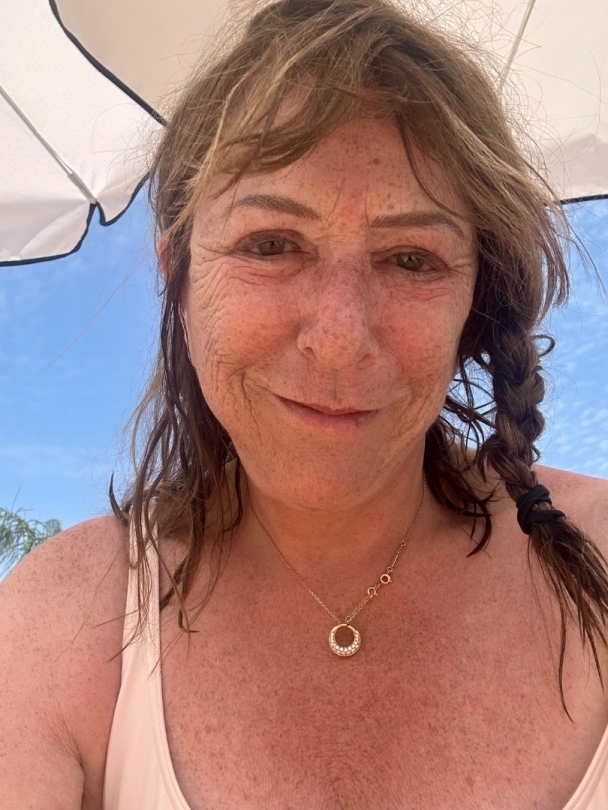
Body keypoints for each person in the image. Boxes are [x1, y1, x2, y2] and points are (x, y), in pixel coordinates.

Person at [2, 0, 608, 807]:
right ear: (179, 277)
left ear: (476, 300)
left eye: (411, 258)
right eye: (271, 245)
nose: (340, 337)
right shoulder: (58, 625)